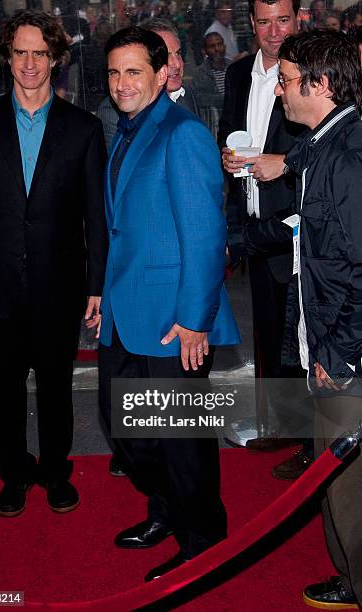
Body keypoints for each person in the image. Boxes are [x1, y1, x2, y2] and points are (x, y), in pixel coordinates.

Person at [98, 26, 240, 582]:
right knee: (124, 425)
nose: (121, 82)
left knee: (183, 442)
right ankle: (166, 511)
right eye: (113, 72)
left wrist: (193, 319)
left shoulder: (182, 134)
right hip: (125, 312)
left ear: (162, 74)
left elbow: (205, 237)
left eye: (133, 71)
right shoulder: (128, 132)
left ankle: (203, 541)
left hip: (174, 320)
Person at [0, 10, 107, 517]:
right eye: (20, 51)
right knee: (2, 391)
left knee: (57, 388)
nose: (29, 62)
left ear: (56, 59)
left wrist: (96, 285)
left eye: (40, 52)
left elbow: (95, 217)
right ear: (6, 57)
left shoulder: (83, 129)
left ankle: (56, 473)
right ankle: (14, 474)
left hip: (59, 287)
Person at [276, 30, 362, 609]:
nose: (280, 92)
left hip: (344, 357)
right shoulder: (322, 144)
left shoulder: (348, 158)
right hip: (325, 344)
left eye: (286, 81)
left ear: (321, 84)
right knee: (335, 484)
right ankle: (350, 578)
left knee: (349, 490)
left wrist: (343, 354)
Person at [218, 0, 313, 478]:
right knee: (270, 333)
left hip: (299, 226)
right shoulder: (237, 75)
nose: (274, 31)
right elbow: (227, 132)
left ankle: (312, 444)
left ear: (299, 20)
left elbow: (324, 143)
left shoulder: (314, 73)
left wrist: (284, 160)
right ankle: (283, 425)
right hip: (254, 223)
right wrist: (226, 157)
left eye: (283, 20)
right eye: (264, 21)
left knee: (306, 340)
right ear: (250, 24)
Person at [97, 18, 199, 150]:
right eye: (165, 55)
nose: (177, 64)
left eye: (178, 53)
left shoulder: (186, 95)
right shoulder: (117, 109)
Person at [193, 32, 230, 113]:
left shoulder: (232, 67)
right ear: (204, 51)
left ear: (224, 46)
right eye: (212, 46)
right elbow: (201, 99)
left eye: (219, 44)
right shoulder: (200, 73)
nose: (217, 49)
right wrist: (227, 99)